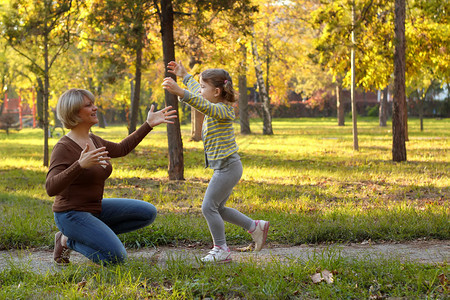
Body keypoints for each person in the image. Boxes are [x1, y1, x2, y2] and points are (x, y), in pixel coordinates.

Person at [46, 88, 177, 265]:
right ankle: (67, 240)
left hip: (94, 210)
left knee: (147, 213)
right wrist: (79, 165)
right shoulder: (64, 147)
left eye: (93, 103)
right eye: (88, 105)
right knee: (116, 258)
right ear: (74, 112)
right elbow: (51, 188)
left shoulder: (94, 140)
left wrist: (148, 125)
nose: (95, 108)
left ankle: (92, 234)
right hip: (70, 215)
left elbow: (122, 148)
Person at [162, 61, 269, 263]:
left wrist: (180, 92)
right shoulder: (213, 103)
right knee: (218, 208)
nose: (200, 90)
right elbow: (200, 95)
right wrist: (185, 76)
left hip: (228, 168)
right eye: (201, 86)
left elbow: (202, 104)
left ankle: (221, 250)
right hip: (225, 167)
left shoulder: (223, 111)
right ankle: (255, 227)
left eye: (204, 87)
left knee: (207, 207)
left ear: (217, 91)